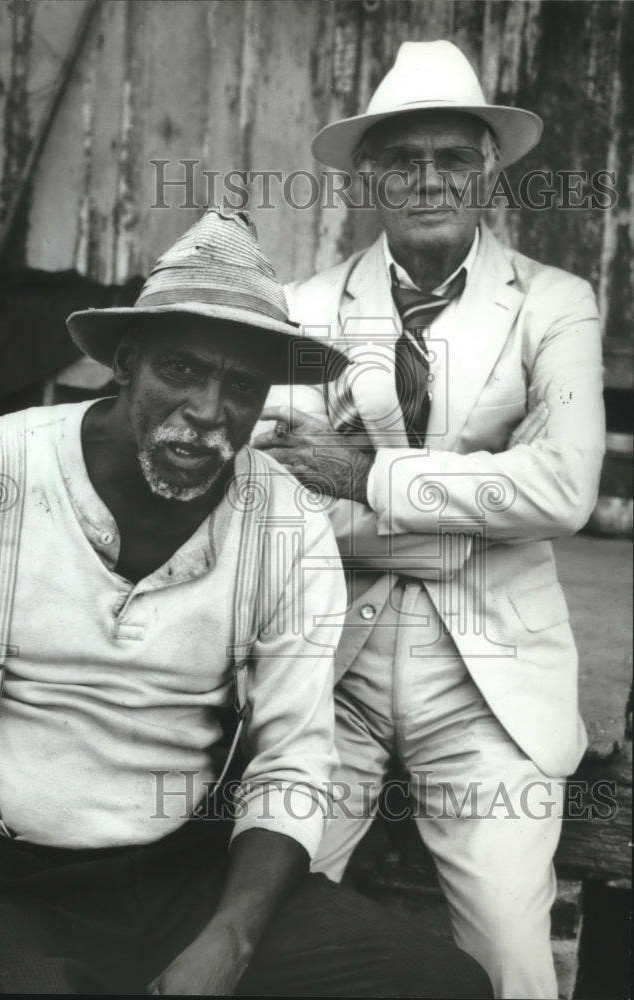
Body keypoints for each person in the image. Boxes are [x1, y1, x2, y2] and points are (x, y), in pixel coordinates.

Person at [0, 207, 490, 997]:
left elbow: (291, 758)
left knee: (434, 983)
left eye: (240, 385)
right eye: (180, 370)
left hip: (181, 871)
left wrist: (228, 941)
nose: (206, 411)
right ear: (124, 362)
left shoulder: (285, 526)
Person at [255, 40, 605, 1000]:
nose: (426, 180)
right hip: (330, 671)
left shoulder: (552, 303)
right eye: (401, 161)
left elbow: (565, 489)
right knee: (259, 921)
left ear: (488, 166)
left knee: (512, 959)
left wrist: (366, 478)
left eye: (451, 157)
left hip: (489, 687)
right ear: (367, 174)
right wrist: (475, 503)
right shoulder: (302, 309)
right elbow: (276, 503)